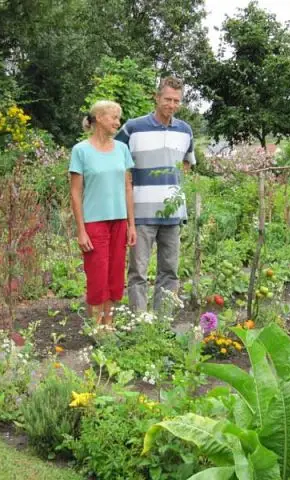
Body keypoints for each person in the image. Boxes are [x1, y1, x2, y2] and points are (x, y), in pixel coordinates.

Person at [115, 76, 195, 312]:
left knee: (169, 271)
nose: (171, 105)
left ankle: (161, 322)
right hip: (141, 212)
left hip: (173, 214)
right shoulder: (133, 127)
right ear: (157, 97)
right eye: (168, 99)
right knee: (138, 271)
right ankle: (139, 322)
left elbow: (187, 165)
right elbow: (116, 158)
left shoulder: (185, 130)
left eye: (176, 101)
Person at [69, 100, 137, 325]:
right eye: (113, 117)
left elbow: (128, 187)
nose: (118, 122)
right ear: (98, 118)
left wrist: (131, 225)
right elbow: (76, 193)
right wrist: (81, 230)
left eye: (119, 118)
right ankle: (96, 328)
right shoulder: (81, 150)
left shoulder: (122, 149)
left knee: (115, 276)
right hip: (94, 222)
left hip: (119, 222)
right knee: (97, 275)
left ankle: (108, 325)